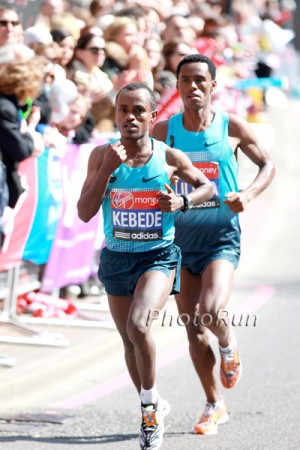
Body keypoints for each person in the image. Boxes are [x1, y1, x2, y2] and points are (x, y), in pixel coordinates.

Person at [77, 82, 213, 450]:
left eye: (139, 111)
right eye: (123, 110)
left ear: (153, 117)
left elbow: (207, 188)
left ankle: (149, 413)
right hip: (116, 257)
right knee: (128, 340)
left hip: (158, 256)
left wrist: (182, 204)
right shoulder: (102, 155)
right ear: (116, 114)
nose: (130, 117)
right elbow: (84, 212)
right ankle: (151, 400)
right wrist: (106, 170)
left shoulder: (167, 156)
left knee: (140, 325)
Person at [152, 54, 275, 436]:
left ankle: (228, 341)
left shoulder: (231, 126)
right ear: (177, 86)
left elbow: (267, 164)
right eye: (185, 79)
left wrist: (249, 194)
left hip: (220, 236)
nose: (192, 86)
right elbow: (141, 168)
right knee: (192, 328)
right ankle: (213, 403)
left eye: (200, 80)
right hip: (179, 241)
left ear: (213, 85)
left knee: (210, 311)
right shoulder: (163, 131)